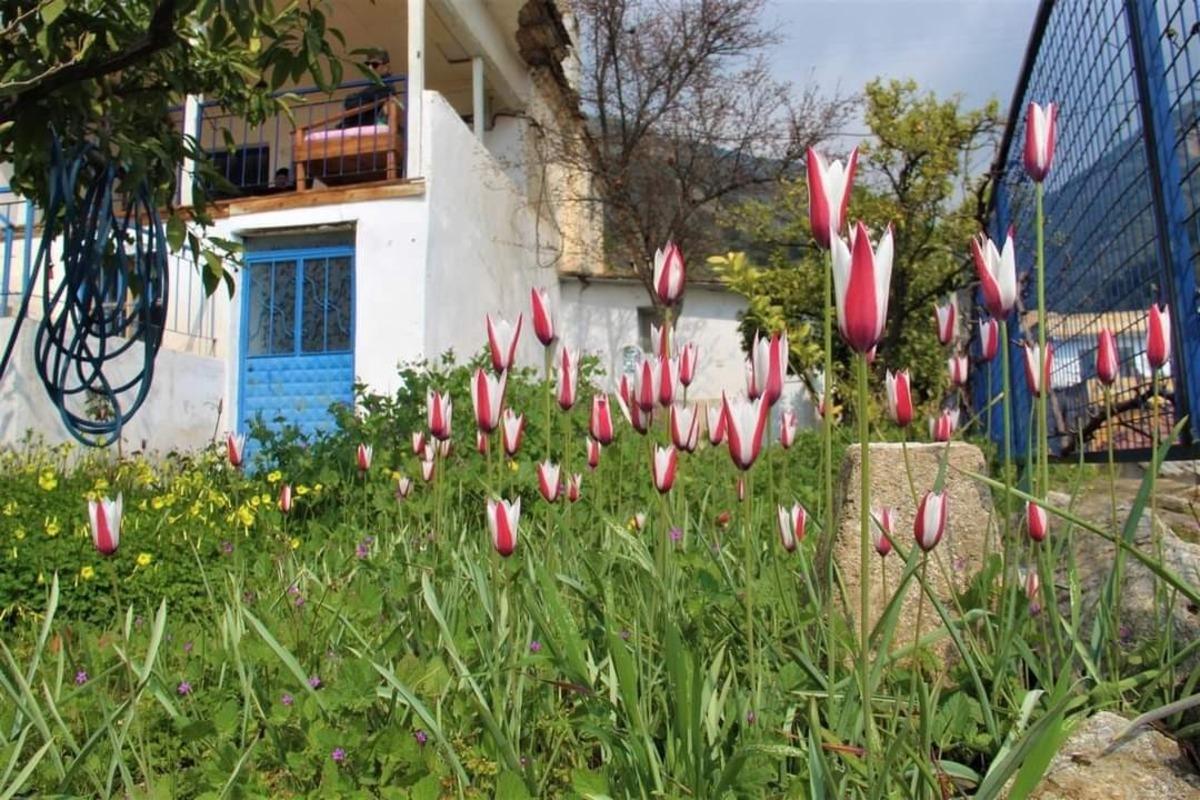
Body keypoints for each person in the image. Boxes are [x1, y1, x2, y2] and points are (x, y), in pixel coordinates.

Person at [341, 49, 395, 128]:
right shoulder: (377, 87)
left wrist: (352, 98)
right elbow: (350, 102)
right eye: (367, 64)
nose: (370, 68)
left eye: (374, 65)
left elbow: (350, 103)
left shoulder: (386, 87)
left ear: (386, 67)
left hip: (364, 129)